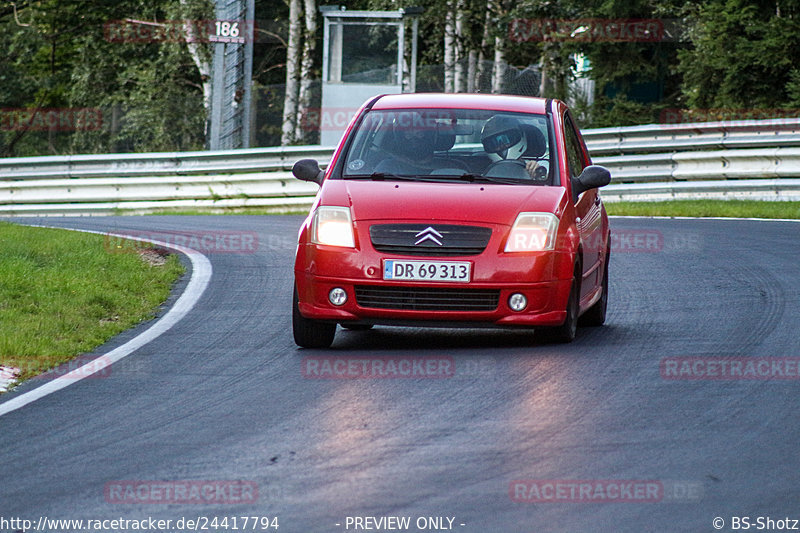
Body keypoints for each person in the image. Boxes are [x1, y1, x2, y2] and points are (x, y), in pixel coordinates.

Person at [480, 115, 546, 180]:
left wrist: (538, 175)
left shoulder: (532, 168)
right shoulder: (479, 175)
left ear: (520, 135)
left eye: (506, 140)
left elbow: (546, 185)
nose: (502, 146)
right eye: (493, 143)